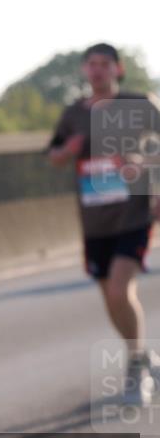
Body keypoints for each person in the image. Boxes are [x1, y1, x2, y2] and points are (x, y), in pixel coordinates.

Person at [48, 42, 160, 405]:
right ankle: (141, 354)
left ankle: (135, 365)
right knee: (110, 299)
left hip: (134, 213)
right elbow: (54, 156)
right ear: (84, 71)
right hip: (95, 220)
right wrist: (66, 151)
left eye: (104, 64)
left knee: (118, 290)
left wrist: (143, 162)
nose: (97, 71)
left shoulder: (139, 103)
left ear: (118, 69)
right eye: (91, 65)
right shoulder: (73, 113)